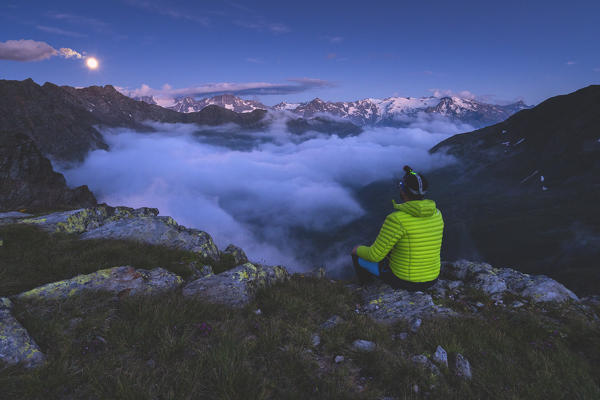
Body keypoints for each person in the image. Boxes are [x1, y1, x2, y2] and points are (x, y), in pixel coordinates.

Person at [351, 165, 444, 290]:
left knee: (358, 256)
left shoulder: (396, 219)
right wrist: (409, 171)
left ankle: (367, 287)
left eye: (400, 185)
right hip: (432, 278)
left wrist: (357, 249)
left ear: (403, 190)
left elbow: (374, 256)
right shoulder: (437, 214)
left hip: (406, 281)